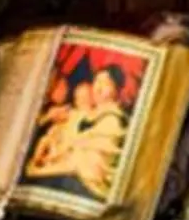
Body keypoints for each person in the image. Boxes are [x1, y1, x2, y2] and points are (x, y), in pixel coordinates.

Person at [23, 57, 137, 204]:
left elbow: (85, 164)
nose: (99, 87)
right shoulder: (85, 115)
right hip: (66, 172)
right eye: (97, 81)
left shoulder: (113, 121)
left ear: (116, 90)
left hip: (87, 186)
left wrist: (42, 170)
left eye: (106, 83)